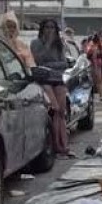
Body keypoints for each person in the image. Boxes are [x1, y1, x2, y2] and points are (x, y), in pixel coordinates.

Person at [32, 19, 72, 158]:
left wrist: (50, 65)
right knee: (54, 108)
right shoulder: (36, 43)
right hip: (44, 80)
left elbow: (64, 63)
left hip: (57, 79)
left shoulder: (59, 44)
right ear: (42, 29)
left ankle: (63, 146)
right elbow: (37, 61)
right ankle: (56, 144)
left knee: (61, 112)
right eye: (47, 27)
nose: (50, 30)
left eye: (52, 27)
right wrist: (47, 45)